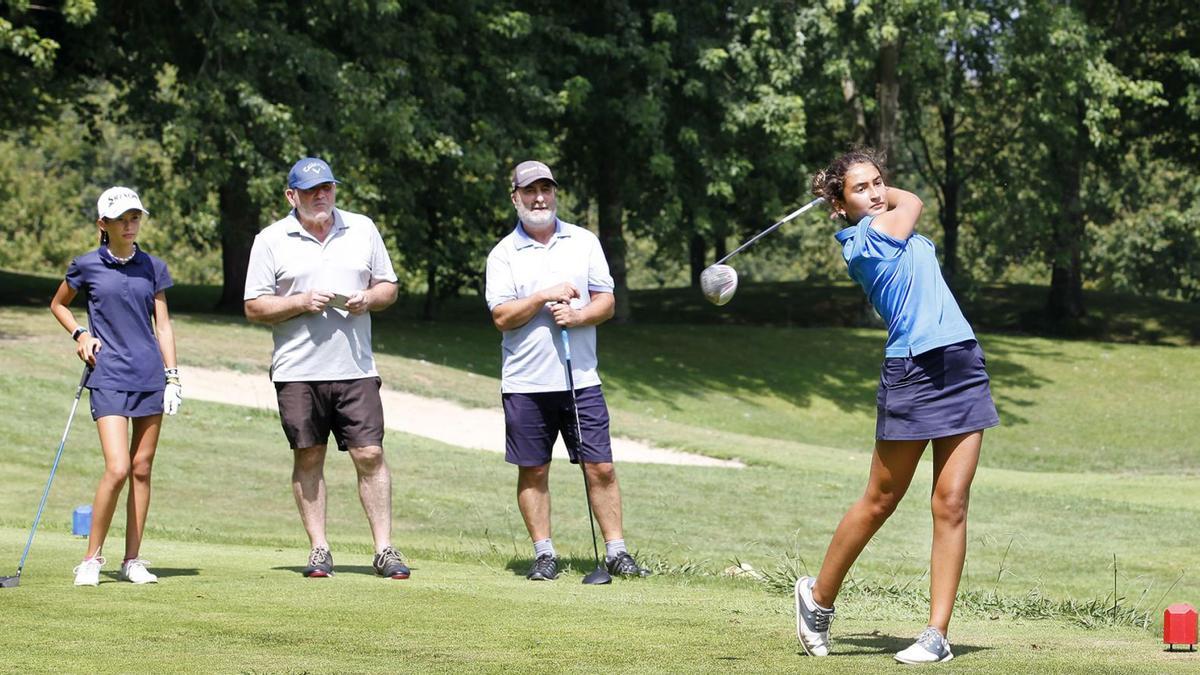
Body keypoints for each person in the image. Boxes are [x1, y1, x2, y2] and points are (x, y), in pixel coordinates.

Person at [793, 149, 1000, 664]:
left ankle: (937, 633)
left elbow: (906, 202)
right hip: (912, 373)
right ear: (838, 208)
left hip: (960, 361)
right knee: (881, 498)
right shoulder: (863, 243)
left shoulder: (885, 221)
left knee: (951, 502)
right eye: (860, 188)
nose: (877, 192)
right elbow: (915, 201)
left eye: (879, 182)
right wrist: (869, 199)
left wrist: (855, 189)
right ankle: (817, 599)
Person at [243, 157, 409, 580]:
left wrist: (368, 299)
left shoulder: (362, 228)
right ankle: (319, 549)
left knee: (369, 453)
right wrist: (300, 302)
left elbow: (388, 287)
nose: (321, 196)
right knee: (309, 454)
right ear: (291, 196)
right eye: (311, 190)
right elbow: (253, 305)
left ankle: (384, 549)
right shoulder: (271, 239)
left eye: (328, 188)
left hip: (355, 367)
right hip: (297, 370)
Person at [484, 160, 649, 582]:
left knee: (601, 466)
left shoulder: (583, 241)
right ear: (515, 197)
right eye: (530, 190)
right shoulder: (503, 254)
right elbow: (502, 316)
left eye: (546, 189)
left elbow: (606, 301)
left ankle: (616, 551)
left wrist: (579, 317)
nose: (540, 198)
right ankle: (544, 553)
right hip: (525, 382)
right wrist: (543, 297)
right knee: (534, 469)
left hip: (581, 380)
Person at [49, 186, 181, 587]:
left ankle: (132, 560)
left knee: (142, 468)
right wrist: (79, 333)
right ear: (102, 224)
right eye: (122, 218)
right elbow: (58, 304)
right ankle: (91, 559)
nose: (130, 224)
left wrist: (172, 376)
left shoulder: (153, 267)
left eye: (135, 217)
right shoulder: (86, 266)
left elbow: (163, 325)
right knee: (118, 466)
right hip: (107, 375)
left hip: (149, 376)